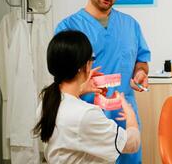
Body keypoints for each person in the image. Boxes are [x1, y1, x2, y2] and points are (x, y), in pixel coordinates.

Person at [55, 0, 151, 163]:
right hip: (86, 120)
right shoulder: (68, 28)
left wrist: (140, 73)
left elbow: (141, 61)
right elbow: (62, 82)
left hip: (124, 115)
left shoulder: (130, 25)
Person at [33, 31, 141, 163]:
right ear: (84, 66)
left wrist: (81, 88)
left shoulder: (47, 101)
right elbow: (131, 144)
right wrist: (131, 115)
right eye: (91, 59)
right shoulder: (85, 114)